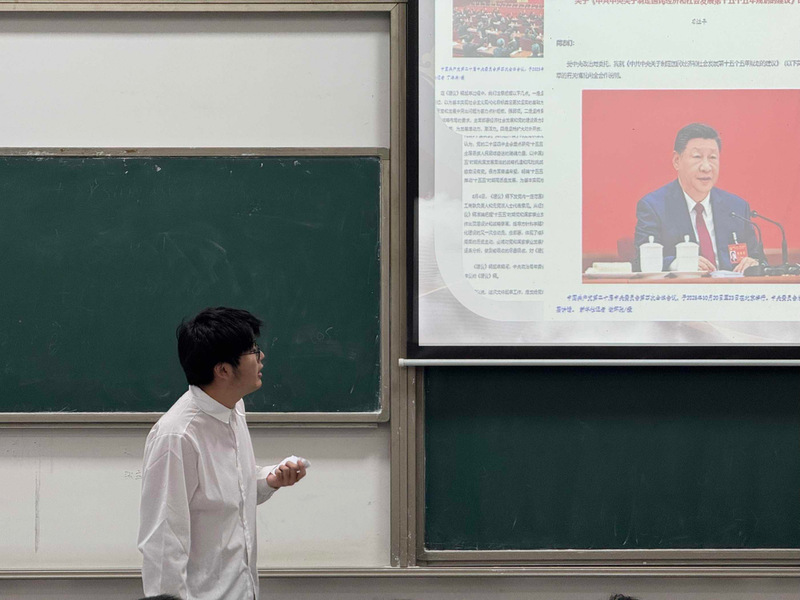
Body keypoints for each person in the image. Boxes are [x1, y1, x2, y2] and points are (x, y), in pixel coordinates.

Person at [138, 307, 307, 600]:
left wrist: (270, 479)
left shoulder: (233, 407)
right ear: (224, 370)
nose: (261, 356)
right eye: (252, 350)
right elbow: (163, 543)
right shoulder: (176, 437)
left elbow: (233, 489)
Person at [633, 123, 759, 272]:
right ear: (677, 161)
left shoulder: (737, 207)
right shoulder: (654, 207)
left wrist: (754, 263)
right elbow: (641, 260)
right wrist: (678, 264)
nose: (706, 167)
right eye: (697, 157)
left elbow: (759, 258)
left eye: (712, 157)